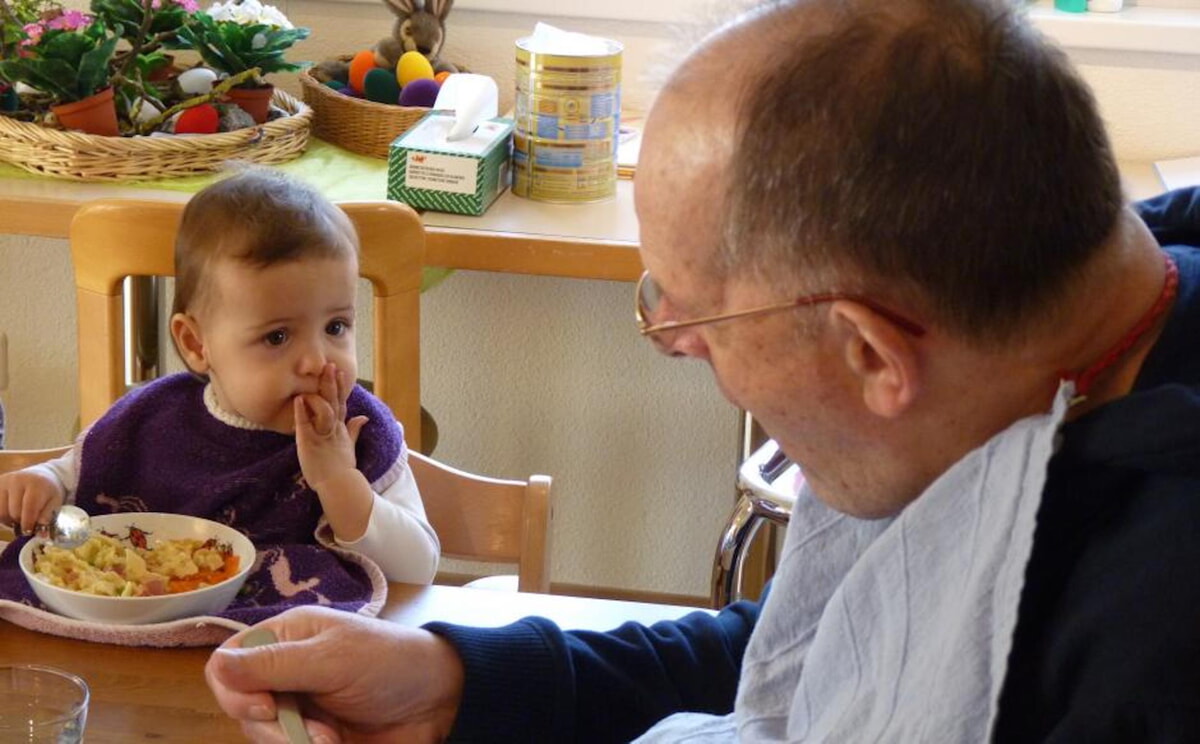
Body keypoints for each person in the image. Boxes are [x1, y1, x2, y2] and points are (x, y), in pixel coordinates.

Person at [204, 0, 1200, 740]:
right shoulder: (1060, 308)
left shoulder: (1150, 648)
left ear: (871, 354)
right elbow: (799, 654)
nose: (678, 343)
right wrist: (455, 680)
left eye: (700, 318)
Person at [0, 168, 439, 586]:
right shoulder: (151, 419)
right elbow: (80, 476)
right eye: (278, 336)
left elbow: (418, 570)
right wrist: (46, 482)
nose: (315, 360)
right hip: (143, 623)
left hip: (294, 632)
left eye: (336, 327)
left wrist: (338, 482)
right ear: (196, 344)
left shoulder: (359, 433)